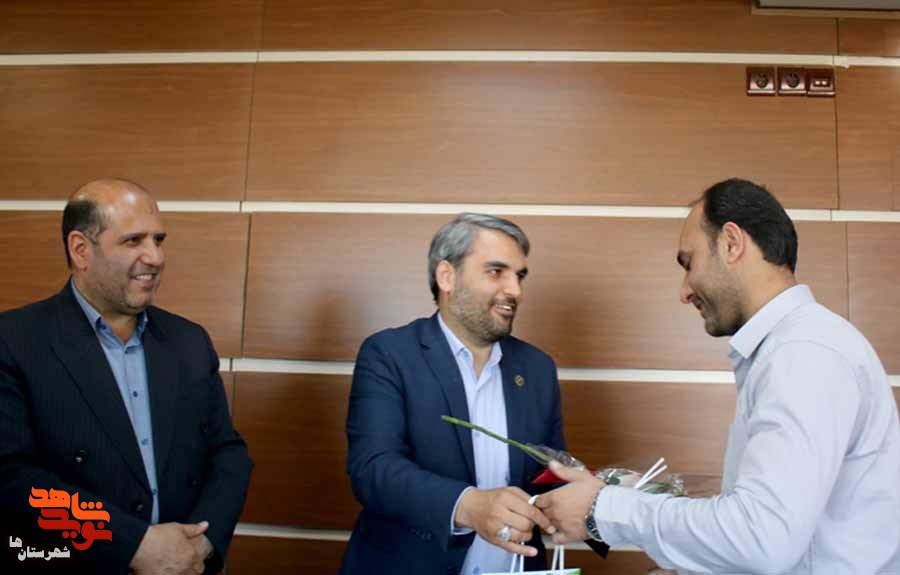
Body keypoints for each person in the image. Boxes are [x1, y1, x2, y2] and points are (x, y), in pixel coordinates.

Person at [536, 178, 900, 574]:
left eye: (689, 263)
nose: (684, 291)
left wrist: (602, 509)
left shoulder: (803, 353)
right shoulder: (795, 348)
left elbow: (761, 538)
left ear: (731, 243)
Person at [0, 179, 253, 574]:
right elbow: (10, 478)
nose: (155, 257)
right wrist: (129, 544)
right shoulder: (14, 341)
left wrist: (202, 542)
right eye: (133, 241)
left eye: (159, 239)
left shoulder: (189, 341)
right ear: (81, 250)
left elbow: (228, 453)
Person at [339, 213, 566, 575]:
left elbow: (549, 471)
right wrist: (468, 506)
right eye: (496, 272)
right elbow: (373, 469)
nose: (515, 290)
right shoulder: (389, 354)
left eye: (520, 276)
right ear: (447, 276)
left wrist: (598, 493)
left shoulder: (538, 368)